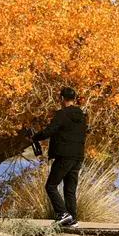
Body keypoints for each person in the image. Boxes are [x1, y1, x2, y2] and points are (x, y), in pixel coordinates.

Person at [31, 87, 87, 228]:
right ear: (73, 99)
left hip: (64, 155)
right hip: (78, 156)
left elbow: (49, 131)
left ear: (62, 98)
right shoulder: (82, 116)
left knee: (51, 186)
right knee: (70, 189)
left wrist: (35, 137)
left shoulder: (62, 114)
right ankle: (72, 219)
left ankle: (63, 214)